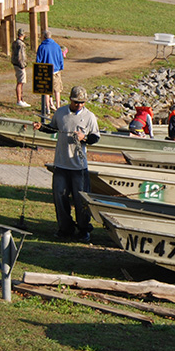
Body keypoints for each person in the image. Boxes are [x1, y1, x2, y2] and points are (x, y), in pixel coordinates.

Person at [33, 86, 100, 242]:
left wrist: (83, 137)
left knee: (81, 200)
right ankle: (65, 228)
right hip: (61, 165)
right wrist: (40, 127)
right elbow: (52, 128)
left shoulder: (90, 117)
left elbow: (95, 138)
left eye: (82, 102)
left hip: (79, 167)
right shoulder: (61, 113)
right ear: (70, 99)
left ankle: (83, 229)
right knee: (60, 197)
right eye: (76, 102)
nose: (79, 105)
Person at [35, 30, 64, 112]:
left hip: (45, 70)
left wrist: (38, 69)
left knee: (46, 90)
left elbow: (38, 60)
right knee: (57, 90)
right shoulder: (57, 46)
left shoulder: (41, 47)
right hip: (56, 70)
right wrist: (61, 67)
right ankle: (58, 106)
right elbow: (60, 58)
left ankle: (47, 107)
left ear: (44, 37)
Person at [11, 29, 29, 107]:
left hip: (15, 64)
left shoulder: (14, 43)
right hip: (20, 65)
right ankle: (19, 100)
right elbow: (20, 55)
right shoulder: (20, 44)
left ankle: (21, 99)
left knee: (20, 82)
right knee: (20, 82)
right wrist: (22, 64)